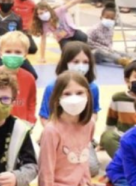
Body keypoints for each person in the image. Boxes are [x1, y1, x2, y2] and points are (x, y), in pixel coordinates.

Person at [38, 71, 126, 186]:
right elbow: (45, 172)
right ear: (57, 98)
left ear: (88, 96)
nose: (74, 98)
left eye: (79, 93)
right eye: (67, 93)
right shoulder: (51, 130)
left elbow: (83, 160)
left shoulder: (89, 124)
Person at [38, 41, 102, 176]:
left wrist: (85, 130)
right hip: (58, 134)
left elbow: (94, 112)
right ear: (65, 62)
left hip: (81, 134)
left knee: (92, 168)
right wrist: (56, 134)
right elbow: (44, 116)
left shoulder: (93, 88)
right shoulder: (52, 87)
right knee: (51, 166)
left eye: (85, 62)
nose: (81, 66)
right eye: (76, 61)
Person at [100, 59, 136, 158]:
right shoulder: (118, 98)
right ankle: (125, 161)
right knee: (107, 136)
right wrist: (103, 143)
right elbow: (111, 122)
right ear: (127, 81)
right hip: (123, 137)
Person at [31, 0, 95, 62]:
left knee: (83, 37)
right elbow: (43, 40)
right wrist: (42, 57)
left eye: (45, 11)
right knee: (68, 51)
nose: (44, 14)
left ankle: (86, 52)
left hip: (73, 32)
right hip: (63, 39)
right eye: (41, 13)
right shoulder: (44, 24)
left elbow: (72, 2)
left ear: (49, 10)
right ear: (37, 15)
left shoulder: (58, 11)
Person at [0, 0, 37, 78]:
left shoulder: (17, 18)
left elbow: (20, 35)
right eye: (3, 0)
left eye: (9, 0)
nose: (6, 3)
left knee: (33, 75)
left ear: (13, 1)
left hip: (15, 51)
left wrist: (21, 51)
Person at [87, 3, 136, 68]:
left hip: (107, 53)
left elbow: (109, 44)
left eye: (112, 19)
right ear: (101, 17)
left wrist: (109, 50)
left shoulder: (110, 29)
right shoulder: (94, 29)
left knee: (121, 53)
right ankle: (122, 61)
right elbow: (87, 42)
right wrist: (102, 48)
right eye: (107, 18)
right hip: (94, 53)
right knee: (100, 52)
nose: (109, 20)